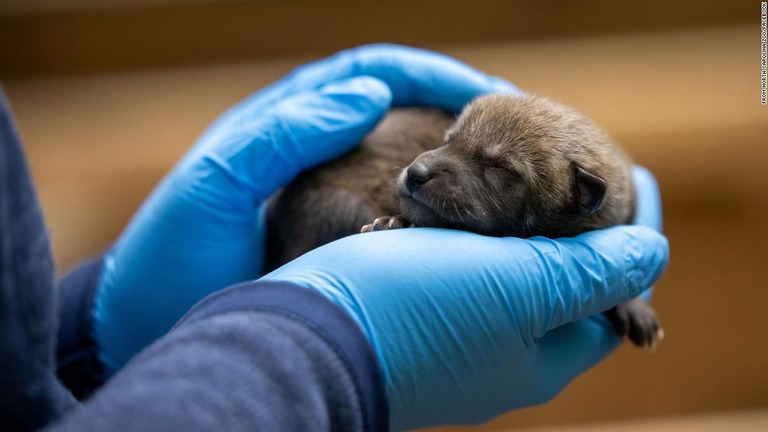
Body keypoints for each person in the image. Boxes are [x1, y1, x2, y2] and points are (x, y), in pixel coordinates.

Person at [0, 45, 668, 432]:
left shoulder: (591, 202)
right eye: (449, 142)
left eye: (497, 173)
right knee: (343, 207)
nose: (427, 169)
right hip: (328, 213)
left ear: (579, 200)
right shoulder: (418, 179)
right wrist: (322, 342)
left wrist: (80, 346)